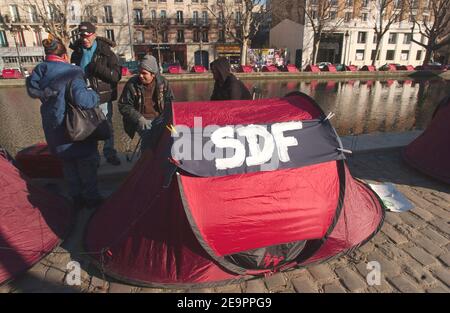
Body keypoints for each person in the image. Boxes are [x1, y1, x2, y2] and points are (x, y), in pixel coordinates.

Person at [26, 38, 103, 209]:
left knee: (68, 166)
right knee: (86, 166)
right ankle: (92, 199)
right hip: (75, 129)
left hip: (54, 130)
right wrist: (95, 95)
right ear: (65, 56)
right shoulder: (72, 72)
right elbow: (83, 100)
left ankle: (76, 198)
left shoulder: (39, 72)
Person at [70, 22, 122, 166]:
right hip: (83, 97)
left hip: (102, 96)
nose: (84, 39)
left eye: (87, 36)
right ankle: (94, 157)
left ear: (94, 34)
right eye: (82, 36)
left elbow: (116, 76)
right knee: (87, 126)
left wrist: (96, 67)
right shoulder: (76, 53)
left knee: (106, 125)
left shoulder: (107, 52)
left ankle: (110, 153)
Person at [118, 55, 173, 153]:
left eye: (144, 73)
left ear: (153, 74)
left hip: (159, 119)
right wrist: (139, 118)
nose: (140, 75)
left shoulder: (163, 83)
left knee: (172, 136)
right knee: (149, 135)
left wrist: (166, 118)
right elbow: (123, 105)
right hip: (140, 119)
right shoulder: (132, 84)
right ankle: (146, 159)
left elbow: (171, 103)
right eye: (139, 72)